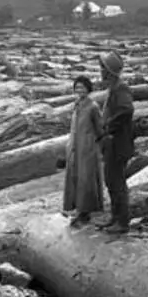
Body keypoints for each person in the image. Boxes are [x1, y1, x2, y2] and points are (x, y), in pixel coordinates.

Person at [96, 52, 134, 234]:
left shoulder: (121, 89)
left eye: (103, 67)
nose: (100, 71)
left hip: (119, 144)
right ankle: (115, 217)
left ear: (109, 71)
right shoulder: (114, 88)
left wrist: (109, 127)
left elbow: (127, 110)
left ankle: (123, 222)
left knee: (117, 183)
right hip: (112, 144)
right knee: (111, 182)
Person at [62, 75, 104, 226]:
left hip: (87, 146)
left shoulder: (93, 107)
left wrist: (96, 144)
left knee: (86, 179)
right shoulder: (77, 104)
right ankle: (77, 208)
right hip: (75, 145)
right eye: (77, 87)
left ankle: (86, 211)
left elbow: (100, 128)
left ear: (88, 89)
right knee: (75, 176)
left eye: (82, 87)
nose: (79, 90)